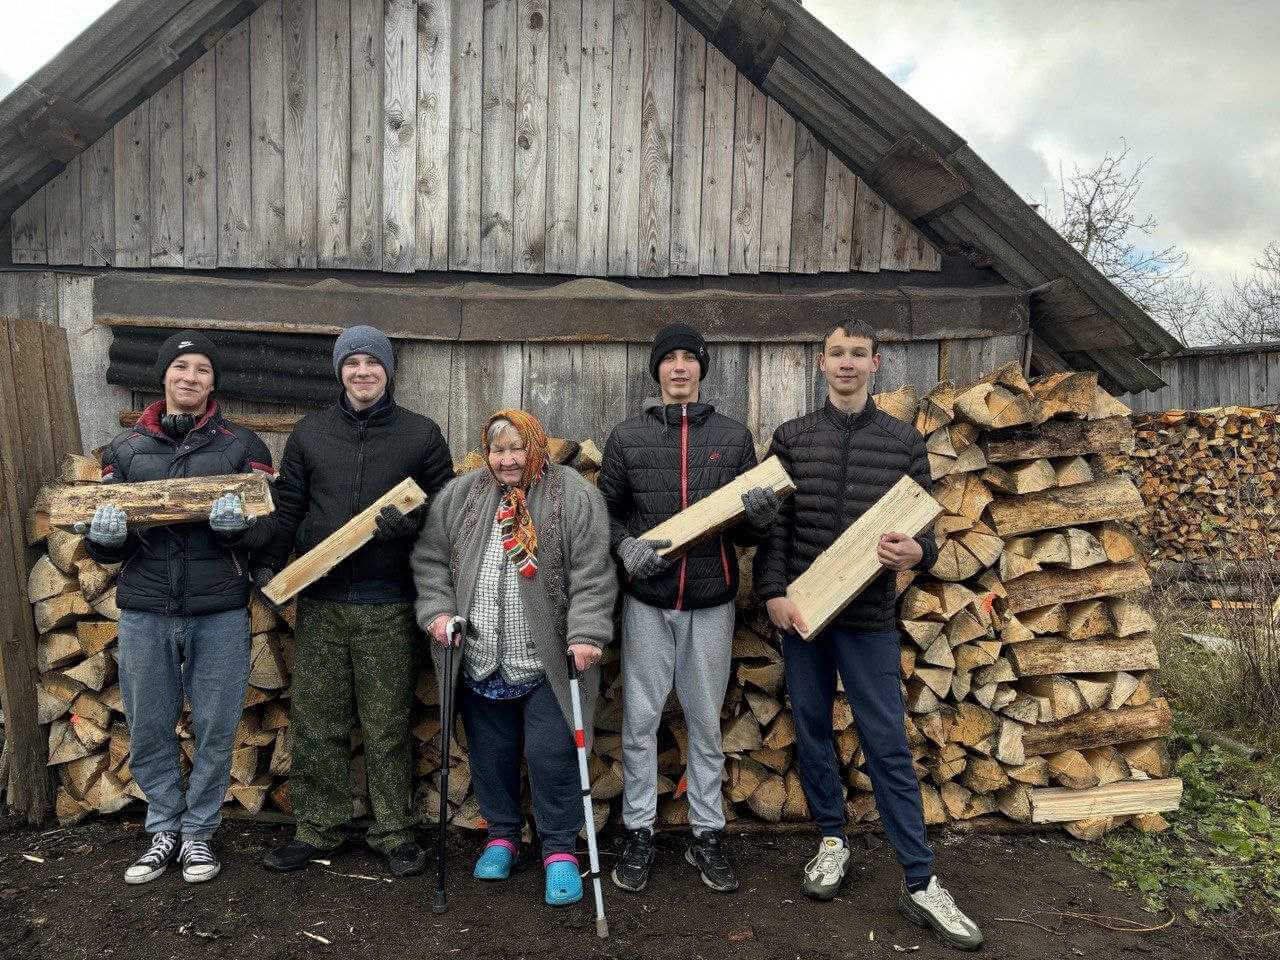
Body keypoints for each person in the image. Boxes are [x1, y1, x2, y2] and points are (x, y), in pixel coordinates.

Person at [752, 321, 984, 951]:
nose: (846, 363)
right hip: (803, 615)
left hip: (869, 619)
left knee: (886, 745)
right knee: (813, 729)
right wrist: (772, 592)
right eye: (836, 353)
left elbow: (924, 529)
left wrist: (918, 550)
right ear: (821, 363)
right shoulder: (793, 439)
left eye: (857, 354)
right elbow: (775, 524)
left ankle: (920, 881)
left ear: (875, 364)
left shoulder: (903, 441)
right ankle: (832, 840)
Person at [258, 325, 454, 878]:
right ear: (339, 370)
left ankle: (393, 831)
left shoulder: (420, 435)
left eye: (373, 362)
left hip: (388, 600)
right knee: (318, 720)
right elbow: (290, 504)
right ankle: (317, 828)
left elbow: (445, 513)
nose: (362, 371)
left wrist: (409, 526)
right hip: (321, 599)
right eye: (352, 363)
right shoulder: (311, 434)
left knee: (387, 721)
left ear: (389, 371)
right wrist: (271, 565)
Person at [82, 331, 274, 885]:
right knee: (148, 723)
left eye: (202, 370)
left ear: (214, 383)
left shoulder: (243, 445)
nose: (190, 378)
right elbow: (99, 545)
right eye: (180, 368)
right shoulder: (125, 450)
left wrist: (242, 530)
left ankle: (199, 833)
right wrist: (106, 535)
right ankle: (163, 825)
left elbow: (269, 531)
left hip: (218, 610)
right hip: (146, 608)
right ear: (164, 376)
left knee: (216, 725)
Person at [599, 323, 780, 894]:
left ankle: (707, 832)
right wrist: (622, 547)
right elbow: (605, 513)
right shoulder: (627, 437)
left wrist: (760, 513)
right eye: (669, 359)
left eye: (689, 359)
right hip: (648, 600)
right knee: (642, 718)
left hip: (710, 598)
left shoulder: (732, 437)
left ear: (702, 369)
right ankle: (638, 831)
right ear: (656, 370)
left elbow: (747, 536)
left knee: (705, 720)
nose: (679, 368)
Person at [411, 410, 617, 907]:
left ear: (535, 447)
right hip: (480, 652)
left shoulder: (575, 495)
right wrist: (437, 612)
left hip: (548, 658)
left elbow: (593, 571)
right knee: (491, 753)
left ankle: (560, 850)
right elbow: (431, 560)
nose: (507, 460)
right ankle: (502, 835)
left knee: (552, 753)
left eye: (517, 449)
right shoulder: (462, 496)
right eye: (498, 451)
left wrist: (587, 632)